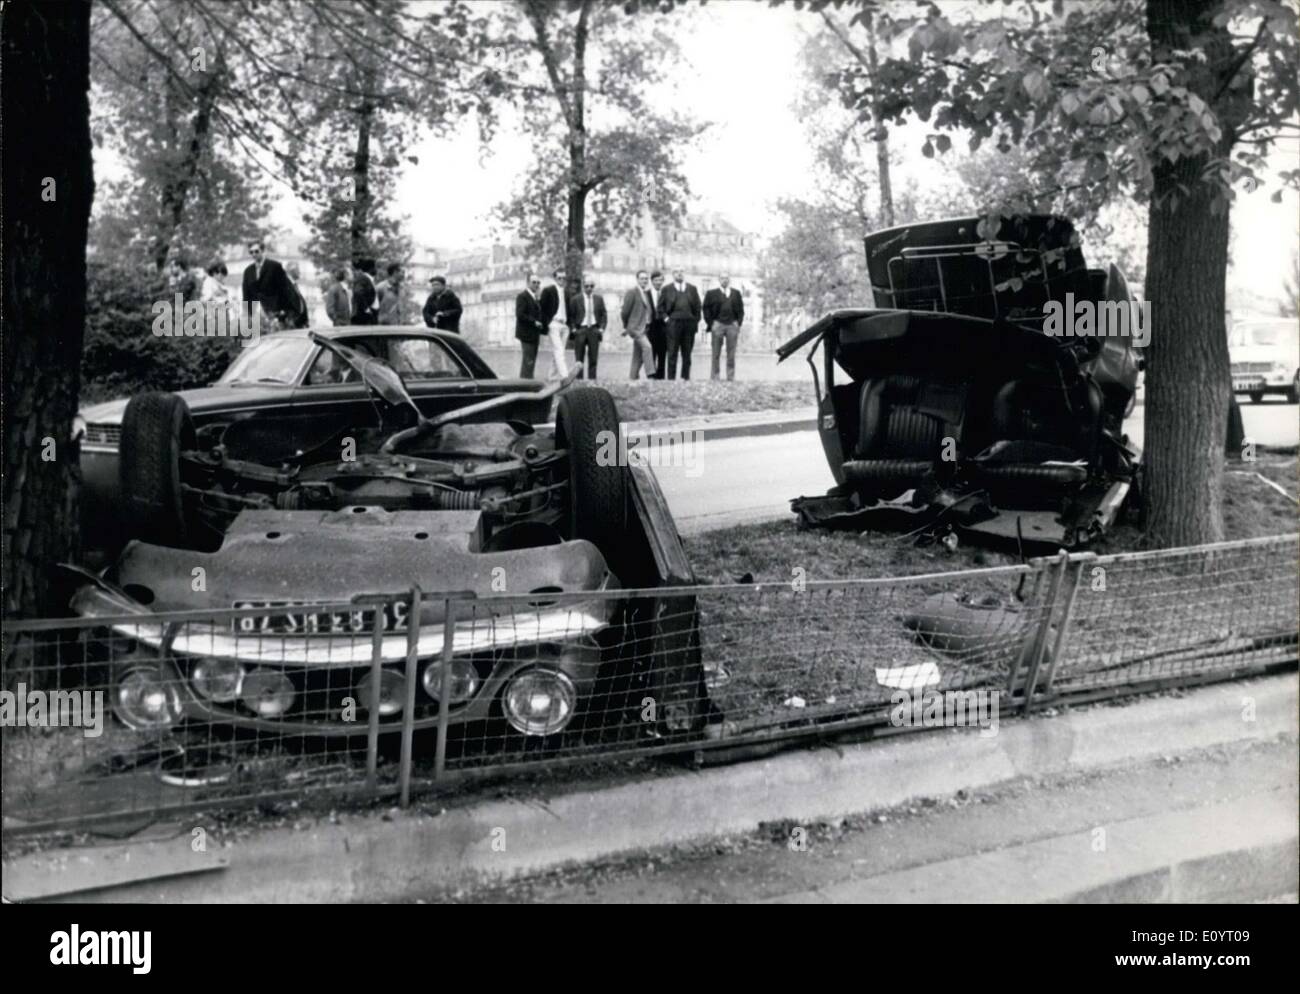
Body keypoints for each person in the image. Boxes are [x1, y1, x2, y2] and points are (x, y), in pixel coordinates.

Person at [658, 267, 702, 380]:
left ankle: (685, 378)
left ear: (684, 273)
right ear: (673, 274)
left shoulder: (692, 288)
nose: (679, 274)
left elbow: (698, 306)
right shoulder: (666, 289)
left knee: (687, 353)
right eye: (677, 272)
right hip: (673, 324)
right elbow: (660, 308)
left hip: (689, 324)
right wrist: (667, 320)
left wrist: (695, 320)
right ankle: (671, 379)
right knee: (672, 352)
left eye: (681, 271)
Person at [240, 241, 296, 327]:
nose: (253, 254)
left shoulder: (275, 267)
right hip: (256, 314)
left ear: (263, 251)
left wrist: (284, 311)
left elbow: (284, 290)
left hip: (274, 313)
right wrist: (248, 315)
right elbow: (246, 295)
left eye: (256, 251)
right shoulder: (248, 271)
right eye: (251, 252)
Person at [704, 273, 745, 381]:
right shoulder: (711, 293)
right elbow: (705, 309)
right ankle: (715, 377)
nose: (724, 280)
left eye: (726, 278)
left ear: (729, 280)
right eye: (722, 278)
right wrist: (711, 323)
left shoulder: (736, 293)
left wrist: (738, 323)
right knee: (715, 353)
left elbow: (741, 310)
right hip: (718, 325)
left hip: (732, 325)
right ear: (719, 280)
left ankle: (730, 377)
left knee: (731, 354)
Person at [568, 276, 607, 379]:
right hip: (580, 329)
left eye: (591, 286)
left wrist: (601, 329)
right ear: (583, 286)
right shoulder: (576, 299)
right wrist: (574, 329)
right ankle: (579, 381)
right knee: (579, 359)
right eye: (586, 286)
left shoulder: (599, 299)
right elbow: (571, 316)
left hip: (594, 330)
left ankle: (592, 381)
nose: (589, 288)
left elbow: (604, 314)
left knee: (593, 358)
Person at [621, 270, 657, 380]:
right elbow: (624, 312)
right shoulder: (632, 292)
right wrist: (627, 326)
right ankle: (651, 374)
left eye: (646, 279)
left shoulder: (646, 293)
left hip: (645, 328)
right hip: (635, 328)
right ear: (637, 279)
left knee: (637, 356)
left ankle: (632, 378)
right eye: (642, 278)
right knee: (647, 347)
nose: (644, 281)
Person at [539, 267, 570, 378]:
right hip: (554, 324)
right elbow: (541, 308)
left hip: (565, 325)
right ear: (555, 278)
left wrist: (569, 325)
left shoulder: (567, 292)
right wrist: (547, 323)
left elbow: (569, 309)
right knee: (559, 350)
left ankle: (551, 377)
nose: (561, 280)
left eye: (563, 278)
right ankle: (565, 376)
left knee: (557, 352)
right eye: (559, 278)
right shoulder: (548, 291)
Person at [515, 272, 547, 378]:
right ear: (528, 283)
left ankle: (528, 382)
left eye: (538, 283)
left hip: (534, 334)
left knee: (531, 361)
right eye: (534, 282)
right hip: (526, 334)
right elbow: (520, 314)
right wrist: (534, 322)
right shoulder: (522, 296)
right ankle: (525, 383)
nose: (537, 285)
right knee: (528, 361)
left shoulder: (535, 297)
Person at [647, 271, 667, 378]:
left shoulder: (666, 294)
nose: (658, 283)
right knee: (651, 354)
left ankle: (661, 378)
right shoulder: (646, 294)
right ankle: (651, 377)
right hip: (650, 328)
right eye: (656, 280)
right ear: (652, 281)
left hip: (664, 328)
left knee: (662, 354)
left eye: (660, 280)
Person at [352, 257, 379, 325]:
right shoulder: (362, 279)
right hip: (364, 317)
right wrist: (366, 309)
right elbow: (358, 293)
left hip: (371, 315)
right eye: (375, 267)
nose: (377, 269)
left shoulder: (368, 280)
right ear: (370, 269)